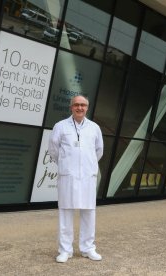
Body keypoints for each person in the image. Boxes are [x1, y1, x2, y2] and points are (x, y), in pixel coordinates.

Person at [48, 95, 104, 263]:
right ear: (71, 107)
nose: (80, 108)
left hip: (87, 176)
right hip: (68, 176)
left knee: (89, 213)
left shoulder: (94, 127)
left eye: (83, 105)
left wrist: (88, 164)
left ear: (87, 108)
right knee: (65, 212)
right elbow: (53, 149)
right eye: (76, 105)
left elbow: (99, 150)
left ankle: (88, 248)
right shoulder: (60, 126)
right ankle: (65, 250)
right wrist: (66, 163)